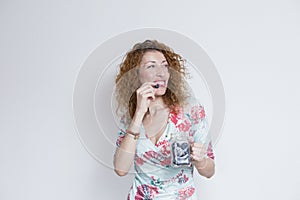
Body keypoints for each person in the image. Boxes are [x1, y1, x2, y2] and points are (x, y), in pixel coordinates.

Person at [113, 40, 215, 200]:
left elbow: (210, 171)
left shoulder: (190, 109)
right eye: (151, 66)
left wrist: (201, 161)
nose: (161, 73)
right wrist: (139, 113)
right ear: (137, 74)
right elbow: (120, 169)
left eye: (165, 66)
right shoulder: (130, 118)